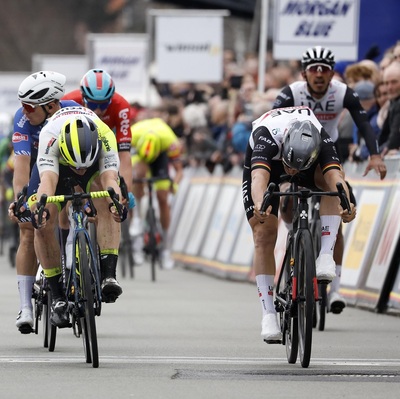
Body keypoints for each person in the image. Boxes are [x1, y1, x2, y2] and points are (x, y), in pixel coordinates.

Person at [272, 46, 387, 314]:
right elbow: (271, 124)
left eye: (325, 70)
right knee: (288, 200)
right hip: (295, 155)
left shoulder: (343, 92)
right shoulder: (291, 93)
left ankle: (335, 287)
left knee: (339, 203)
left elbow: (364, 123)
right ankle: (293, 238)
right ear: (304, 73)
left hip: (328, 155)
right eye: (314, 69)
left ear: (333, 73)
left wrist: (375, 155)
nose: (320, 74)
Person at [242, 105, 356, 342]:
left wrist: (347, 202)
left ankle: (325, 254)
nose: (292, 171)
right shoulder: (266, 138)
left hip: (309, 161)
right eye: (290, 165)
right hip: (271, 165)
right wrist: (260, 204)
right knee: (263, 233)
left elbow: (337, 179)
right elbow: (258, 179)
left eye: (297, 167)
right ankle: (268, 314)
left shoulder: (323, 140)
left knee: (331, 188)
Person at [25, 108, 127, 327]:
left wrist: (116, 204)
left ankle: (109, 275)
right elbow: (48, 183)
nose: (79, 171)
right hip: (58, 167)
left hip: (95, 167)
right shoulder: (50, 137)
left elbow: (110, 180)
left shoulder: (105, 135)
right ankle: (58, 297)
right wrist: (40, 209)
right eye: (77, 167)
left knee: (109, 202)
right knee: (43, 221)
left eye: (83, 167)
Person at [8, 71, 79, 334]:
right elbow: (22, 168)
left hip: (68, 165)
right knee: (28, 228)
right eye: (22, 105)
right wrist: (20, 201)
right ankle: (25, 307)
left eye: (29, 106)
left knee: (78, 208)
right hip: (41, 167)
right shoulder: (22, 121)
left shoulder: (72, 111)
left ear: (50, 104)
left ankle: (77, 257)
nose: (24, 111)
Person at [62, 69, 134, 202]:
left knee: (105, 190)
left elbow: (124, 154)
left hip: (104, 144)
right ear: (83, 98)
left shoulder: (121, 106)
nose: (98, 110)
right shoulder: (68, 102)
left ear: (111, 100)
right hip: (76, 145)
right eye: (93, 104)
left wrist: (127, 191)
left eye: (104, 104)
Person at [130, 117, 183, 269]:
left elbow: (179, 170)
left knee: (162, 198)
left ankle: (166, 248)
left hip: (161, 156)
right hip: (139, 153)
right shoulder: (133, 134)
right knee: (137, 176)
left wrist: (174, 185)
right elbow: (124, 162)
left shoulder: (170, 140)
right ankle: (137, 219)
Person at [378, 61, 400, 154]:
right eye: (386, 83)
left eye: (394, 82)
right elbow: (384, 134)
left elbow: (394, 137)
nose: (390, 87)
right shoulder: (393, 103)